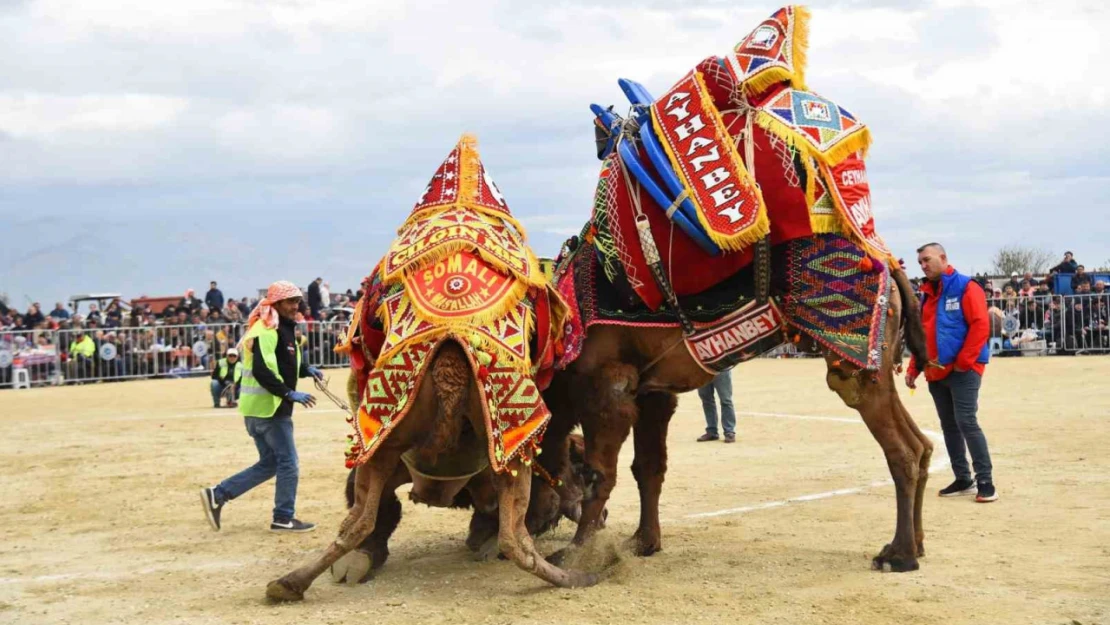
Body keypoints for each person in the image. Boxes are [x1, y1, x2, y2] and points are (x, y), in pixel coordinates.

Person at [199, 281, 324, 534]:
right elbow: (262, 369)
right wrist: (289, 393)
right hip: (270, 410)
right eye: (290, 301)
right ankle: (283, 517)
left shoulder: (283, 330)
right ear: (276, 303)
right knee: (288, 463)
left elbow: (285, 363)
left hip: (259, 411)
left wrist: (306, 369)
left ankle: (218, 494)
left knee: (270, 464)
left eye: (297, 301)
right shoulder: (267, 331)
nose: (295, 306)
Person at [906, 243, 998, 503]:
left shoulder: (967, 287)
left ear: (943, 257)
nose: (923, 265)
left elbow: (980, 325)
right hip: (936, 372)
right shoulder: (926, 294)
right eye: (920, 262)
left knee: (966, 421)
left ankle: (986, 481)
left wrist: (964, 362)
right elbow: (921, 335)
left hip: (963, 369)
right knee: (949, 426)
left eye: (927, 260)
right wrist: (915, 367)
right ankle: (963, 479)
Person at [696, 370, 736, 443]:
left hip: (721, 368)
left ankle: (729, 432)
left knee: (725, 400)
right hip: (703, 369)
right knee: (706, 399)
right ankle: (711, 431)